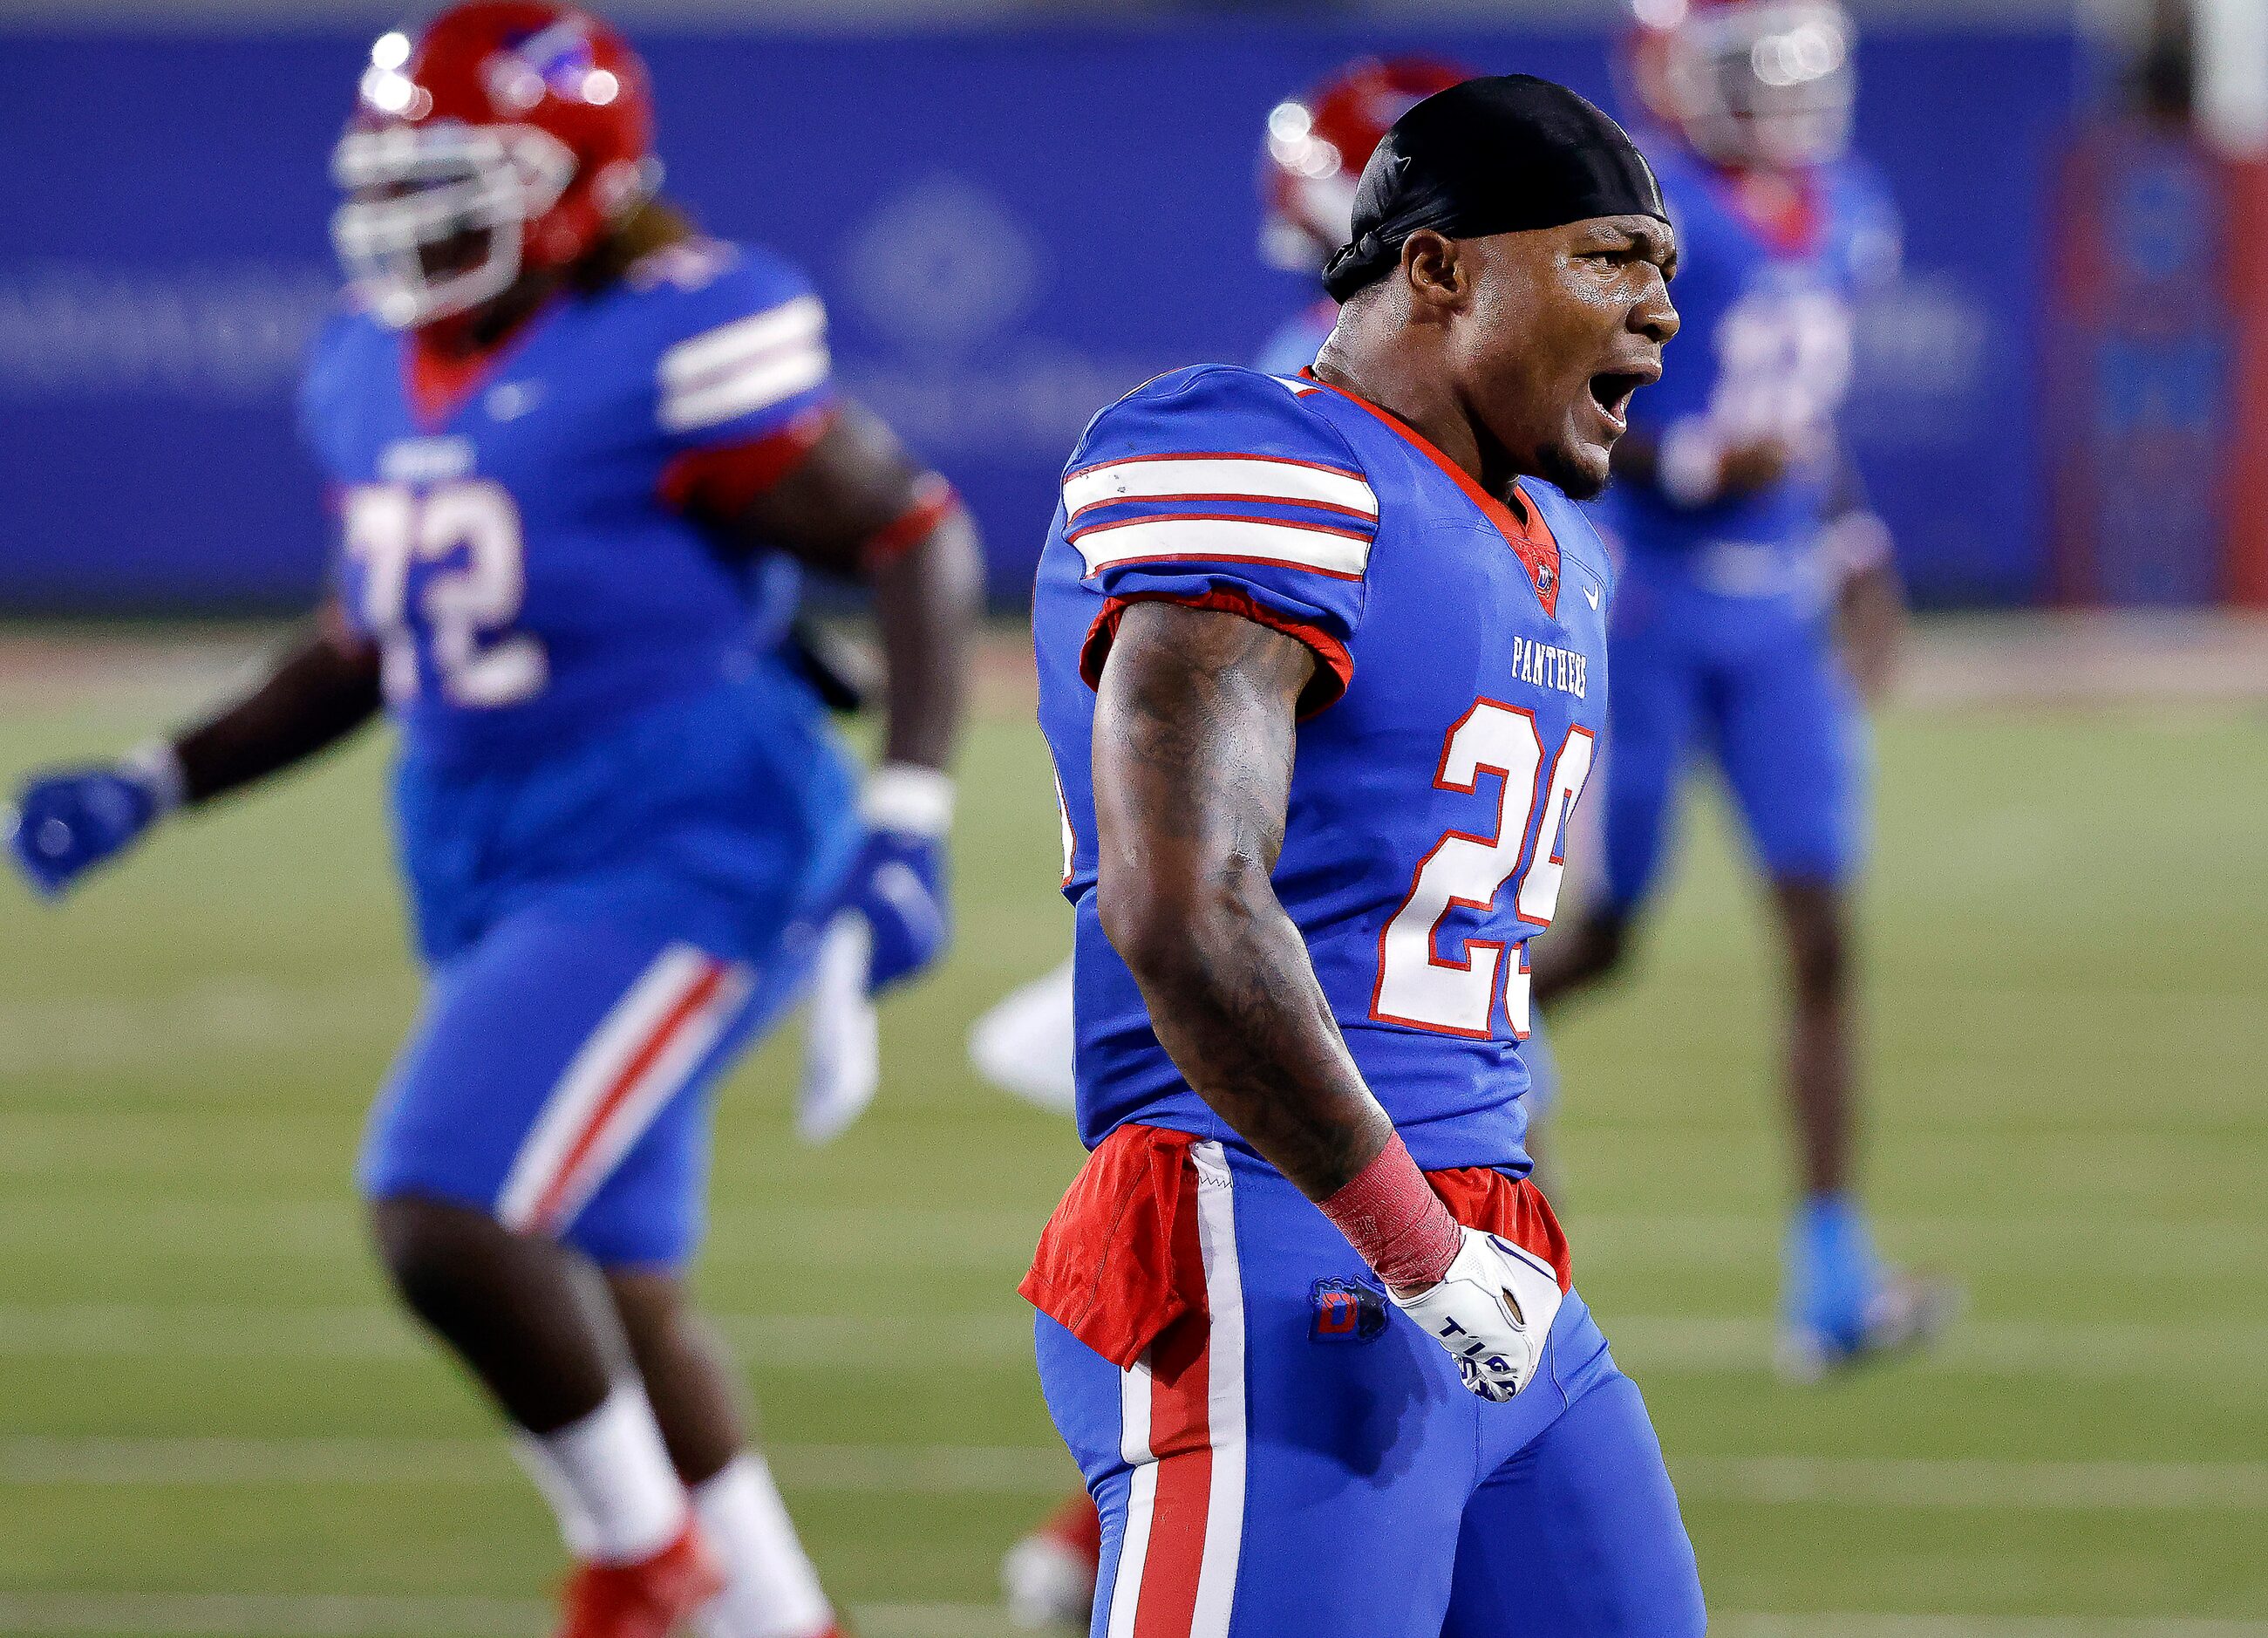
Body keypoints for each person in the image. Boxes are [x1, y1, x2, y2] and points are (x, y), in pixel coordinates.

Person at [4, 6, 979, 1636]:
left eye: (454, 179)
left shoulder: (676, 334)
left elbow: (913, 534)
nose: (412, 215)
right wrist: (162, 774)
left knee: (448, 1201)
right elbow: (369, 640)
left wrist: (910, 804)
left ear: (577, 181)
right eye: (397, 177)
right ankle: (773, 1617)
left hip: (687, 841)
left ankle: (642, 1559)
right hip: (481, 852)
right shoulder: (364, 362)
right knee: (611, 1283)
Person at [1022, 75, 1703, 1636]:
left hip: (1490, 1242)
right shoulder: (1267, 456)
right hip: (1285, 1224)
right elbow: (1182, 907)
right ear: (1440, 264)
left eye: (1663, 269)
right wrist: (1411, 1244)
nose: (1658, 312)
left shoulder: (1553, 548)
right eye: (1608, 258)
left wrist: (1460, 1242)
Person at [987, 61, 1487, 1628]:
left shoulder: (1452, 428)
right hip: (1275, 1090)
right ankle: (1120, 1528)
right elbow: (1202, 859)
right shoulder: (1296, 425)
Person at [1529, 0, 1954, 1379]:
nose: (1780, 102)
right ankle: (1438, 1049)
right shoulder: (1642, 216)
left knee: (1822, 931)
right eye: (1745, 72)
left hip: (1776, 615)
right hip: (1648, 604)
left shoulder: (1843, 204)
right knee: (1598, 937)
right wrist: (1704, 469)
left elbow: (1802, 415)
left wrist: (1852, 538)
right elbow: (1561, 409)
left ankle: (1830, 1275)